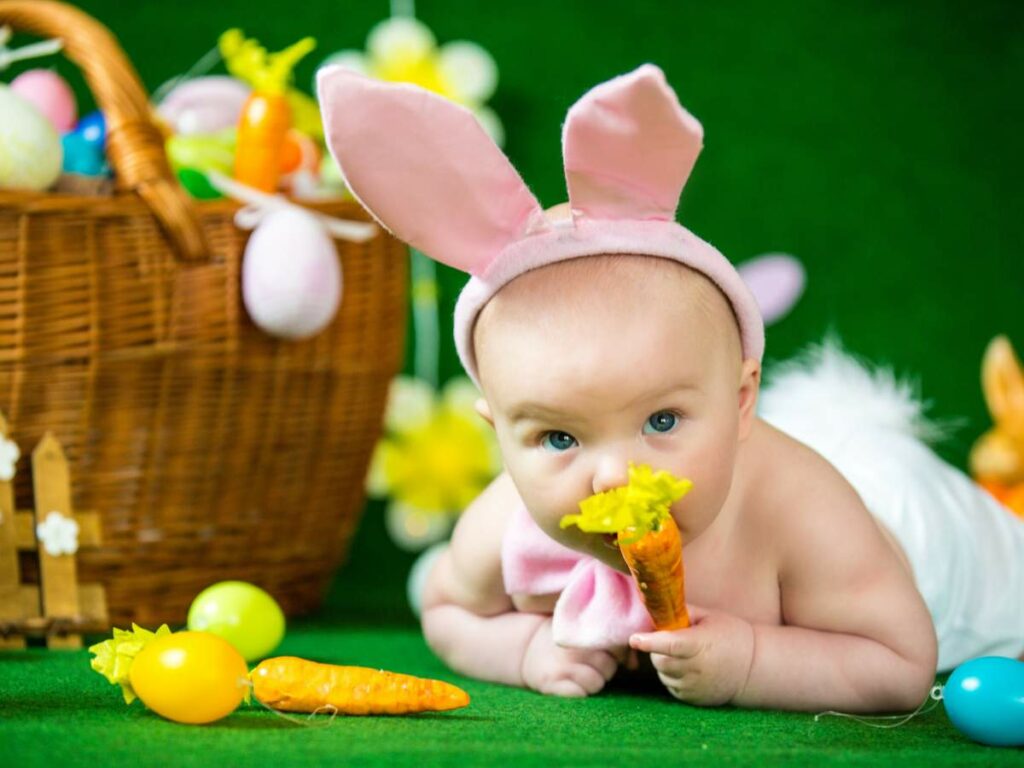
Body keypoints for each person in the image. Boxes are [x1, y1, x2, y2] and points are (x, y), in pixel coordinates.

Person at [317, 64, 1024, 712]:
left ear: (744, 399)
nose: (616, 475)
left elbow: (900, 665)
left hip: (925, 554)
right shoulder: (507, 520)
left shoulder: (802, 508)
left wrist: (752, 660)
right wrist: (524, 650)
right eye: (558, 437)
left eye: (661, 421)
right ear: (497, 433)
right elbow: (447, 611)